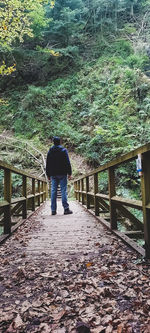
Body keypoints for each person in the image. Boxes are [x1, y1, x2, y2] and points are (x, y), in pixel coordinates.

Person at [46, 136, 73, 215]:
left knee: (53, 191)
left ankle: (53, 210)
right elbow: (67, 162)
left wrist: (48, 174)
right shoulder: (64, 150)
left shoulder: (50, 151)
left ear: (53, 142)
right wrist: (69, 173)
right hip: (62, 173)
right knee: (63, 190)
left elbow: (48, 164)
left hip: (53, 174)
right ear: (60, 142)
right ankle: (66, 209)